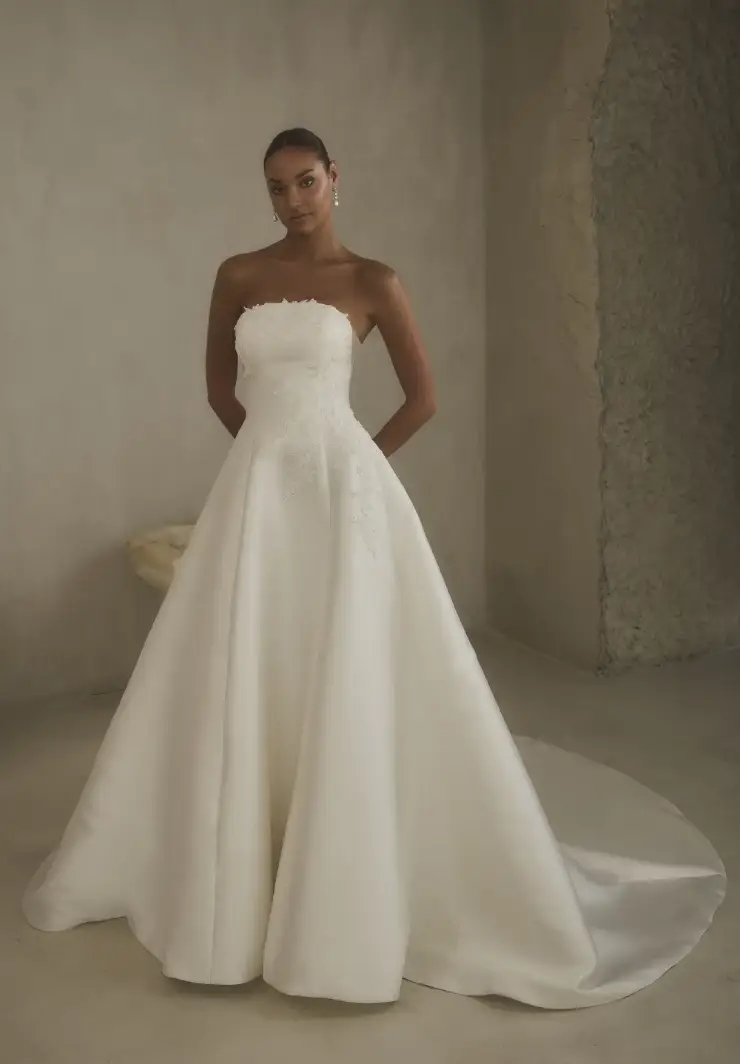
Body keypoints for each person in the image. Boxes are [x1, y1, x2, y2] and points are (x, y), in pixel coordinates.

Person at [23, 128, 725, 1008]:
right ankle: (239, 864)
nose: (292, 201)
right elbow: (217, 388)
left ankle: (336, 884)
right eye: (276, 187)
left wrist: (352, 463)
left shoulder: (373, 282)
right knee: (251, 664)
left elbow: (422, 398)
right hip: (260, 493)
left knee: (344, 664)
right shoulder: (238, 274)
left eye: (306, 182)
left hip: (342, 489)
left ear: (335, 180)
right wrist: (266, 466)